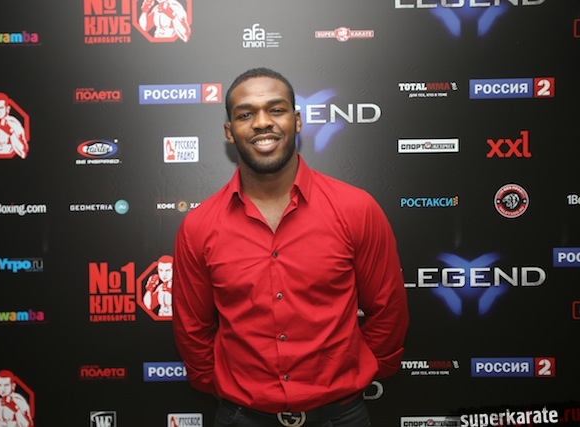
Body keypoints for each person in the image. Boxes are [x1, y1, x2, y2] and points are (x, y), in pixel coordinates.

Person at [172, 67, 409, 427]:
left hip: (340, 416)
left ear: (297, 121)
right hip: (242, 417)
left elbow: (388, 310)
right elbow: (192, 328)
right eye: (245, 114)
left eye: (276, 110)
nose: (262, 123)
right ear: (229, 131)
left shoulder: (356, 209)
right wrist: (221, 386)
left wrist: (353, 377)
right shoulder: (199, 226)